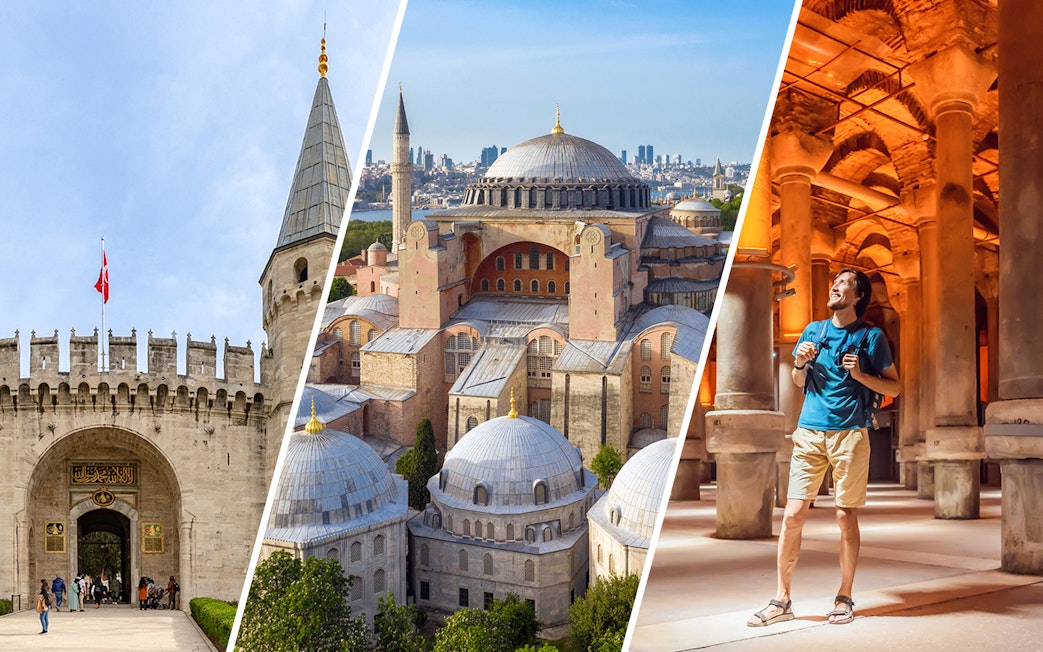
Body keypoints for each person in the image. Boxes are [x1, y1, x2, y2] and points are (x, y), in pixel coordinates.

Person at [748, 269, 900, 627]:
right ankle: (781, 599)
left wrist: (861, 374)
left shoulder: (870, 336)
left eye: (844, 282)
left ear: (858, 295)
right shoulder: (813, 330)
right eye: (834, 282)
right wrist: (799, 362)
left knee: (845, 517)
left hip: (850, 434)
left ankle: (844, 596)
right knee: (792, 515)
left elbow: (896, 387)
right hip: (809, 432)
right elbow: (800, 380)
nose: (834, 286)